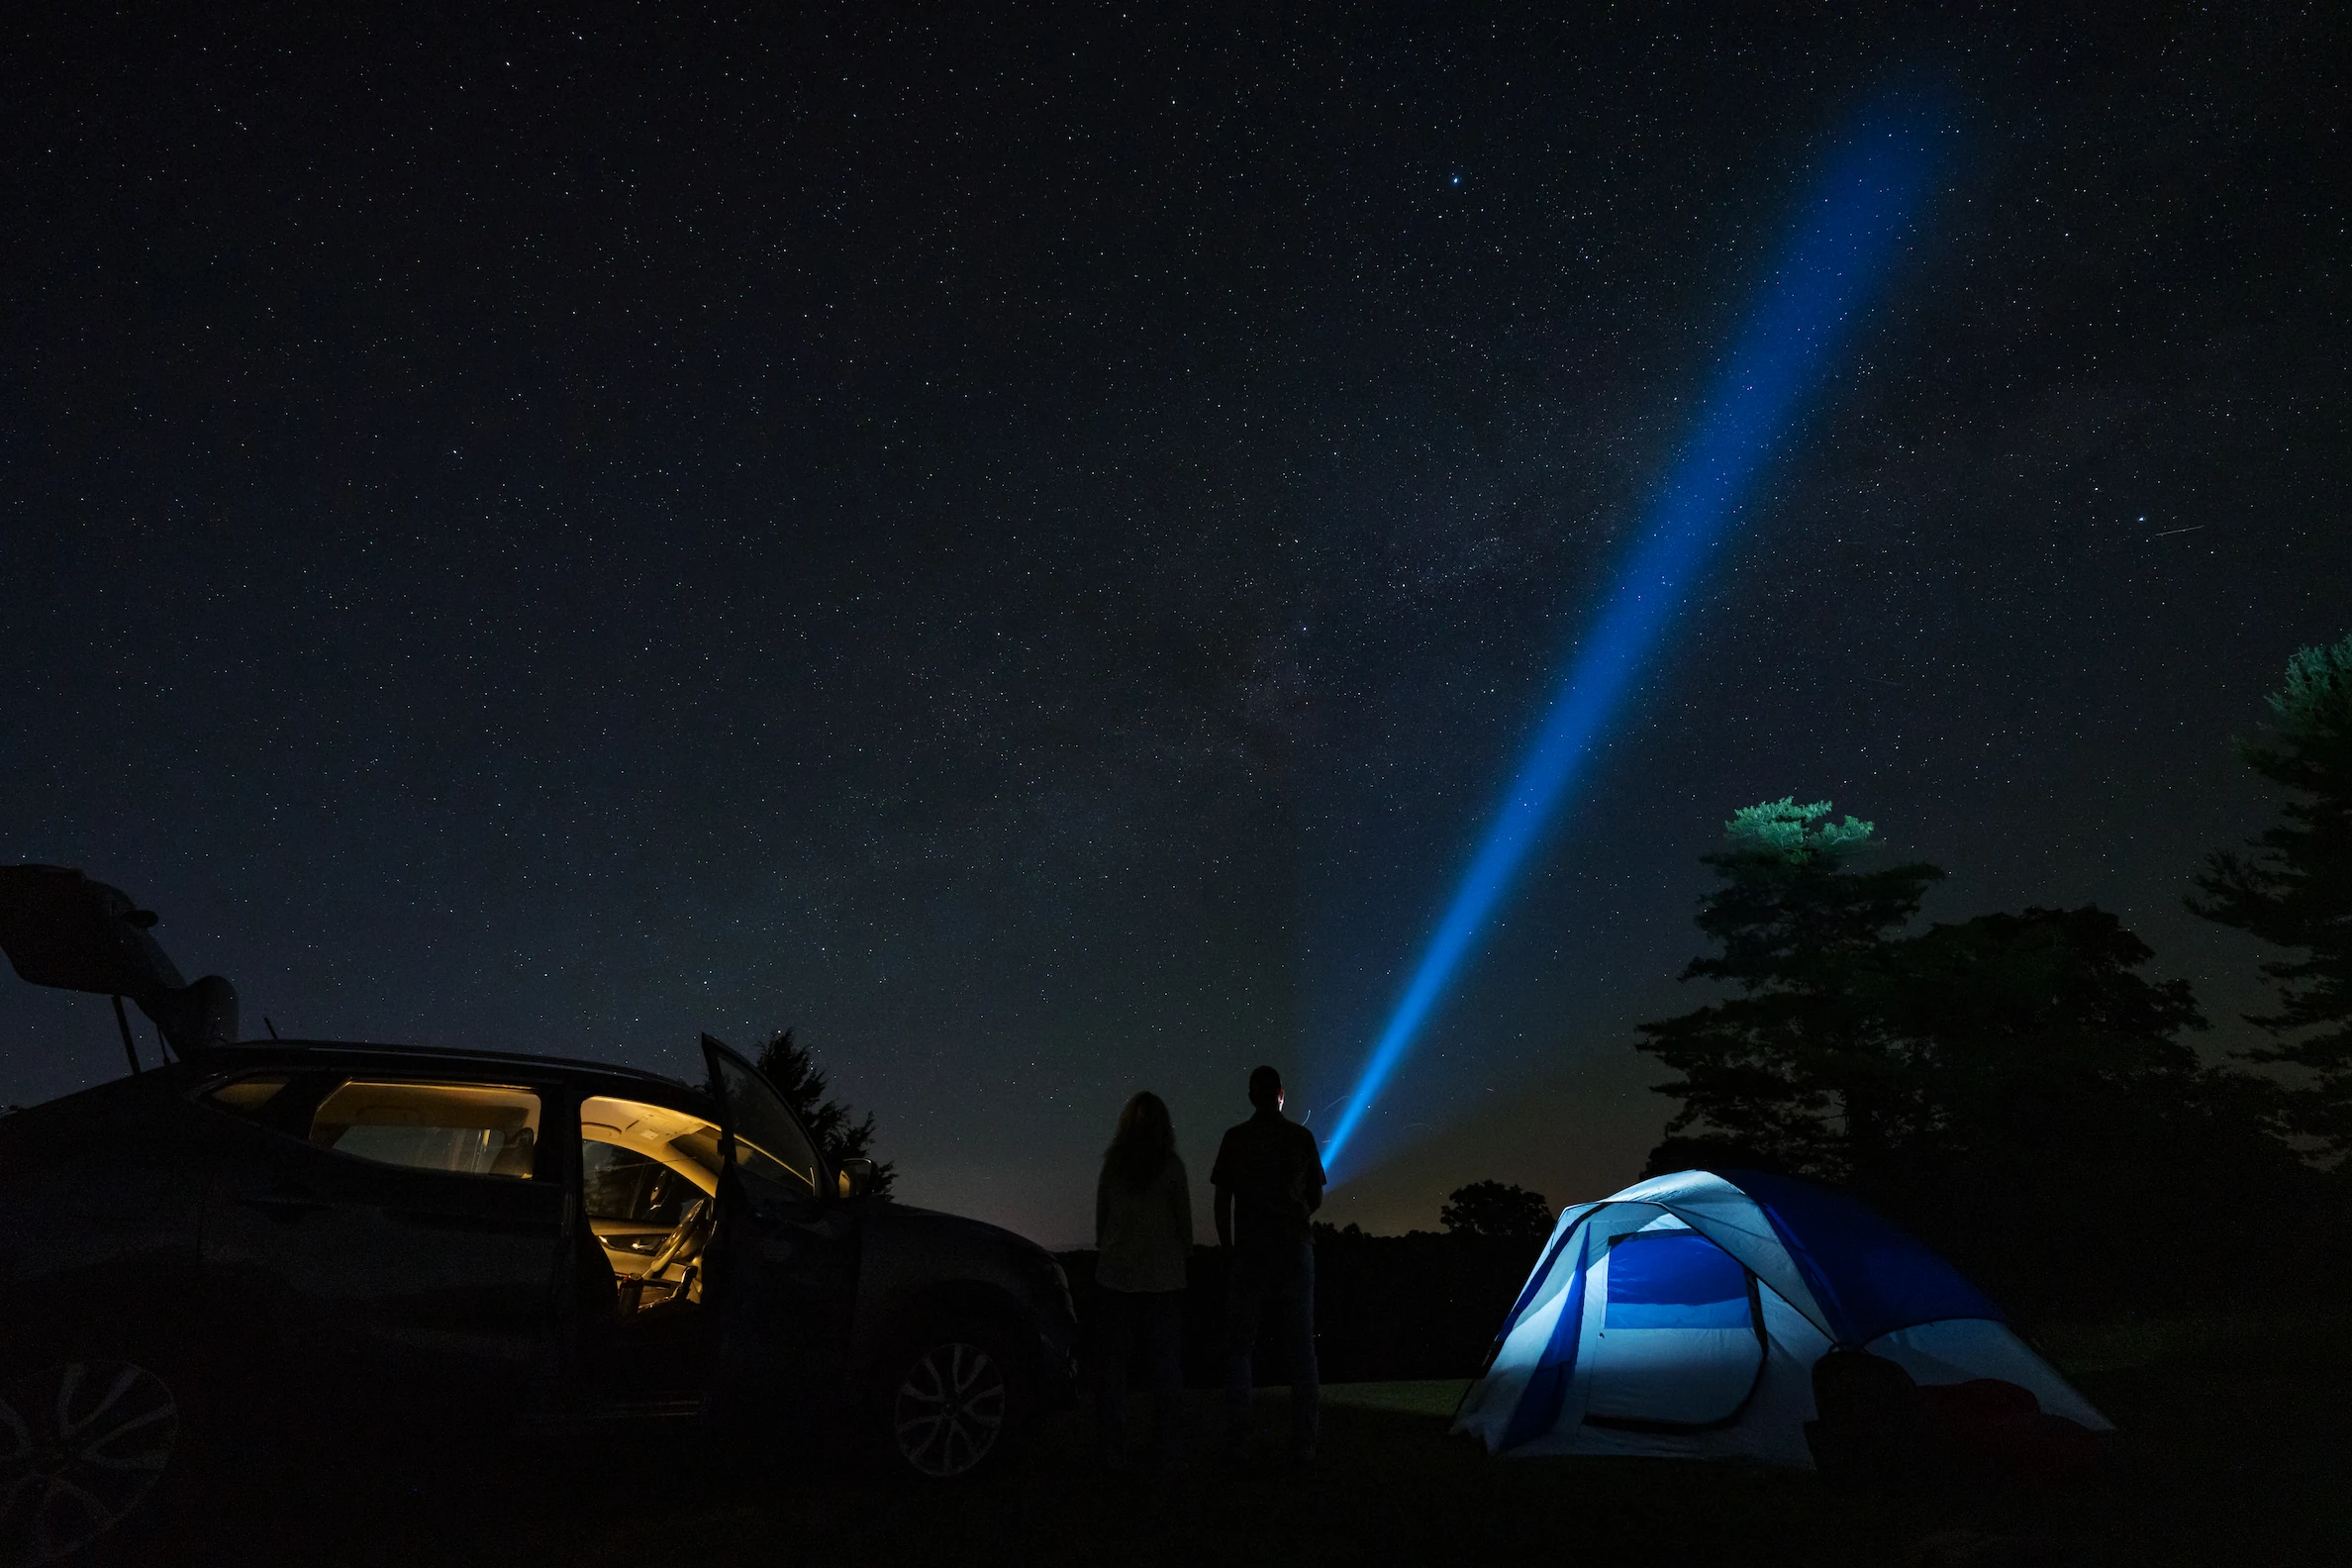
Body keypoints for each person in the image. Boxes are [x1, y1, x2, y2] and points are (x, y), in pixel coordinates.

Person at [1210, 1064, 1325, 1464]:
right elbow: (1316, 1195)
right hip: (1295, 1248)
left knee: (1240, 1348)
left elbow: (1222, 1200)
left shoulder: (1236, 1139)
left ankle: (1240, 1442)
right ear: (1280, 1093)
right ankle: (1304, 1443)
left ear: (1250, 1096)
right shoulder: (1301, 1137)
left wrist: (1227, 1248)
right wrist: (1296, 1217)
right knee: (1300, 1347)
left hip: (1251, 1252)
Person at [1093, 1090, 1194, 1468]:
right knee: (1166, 1366)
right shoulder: (1171, 1166)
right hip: (1164, 1279)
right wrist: (1183, 1257)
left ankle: (1112, 1447)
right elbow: (1183, 1223)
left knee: (1114, 1368)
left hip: (1116, 1276)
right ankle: (1166, 1446)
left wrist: (1108, 1250)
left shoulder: (1114, 1165)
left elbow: (1101, 1220)